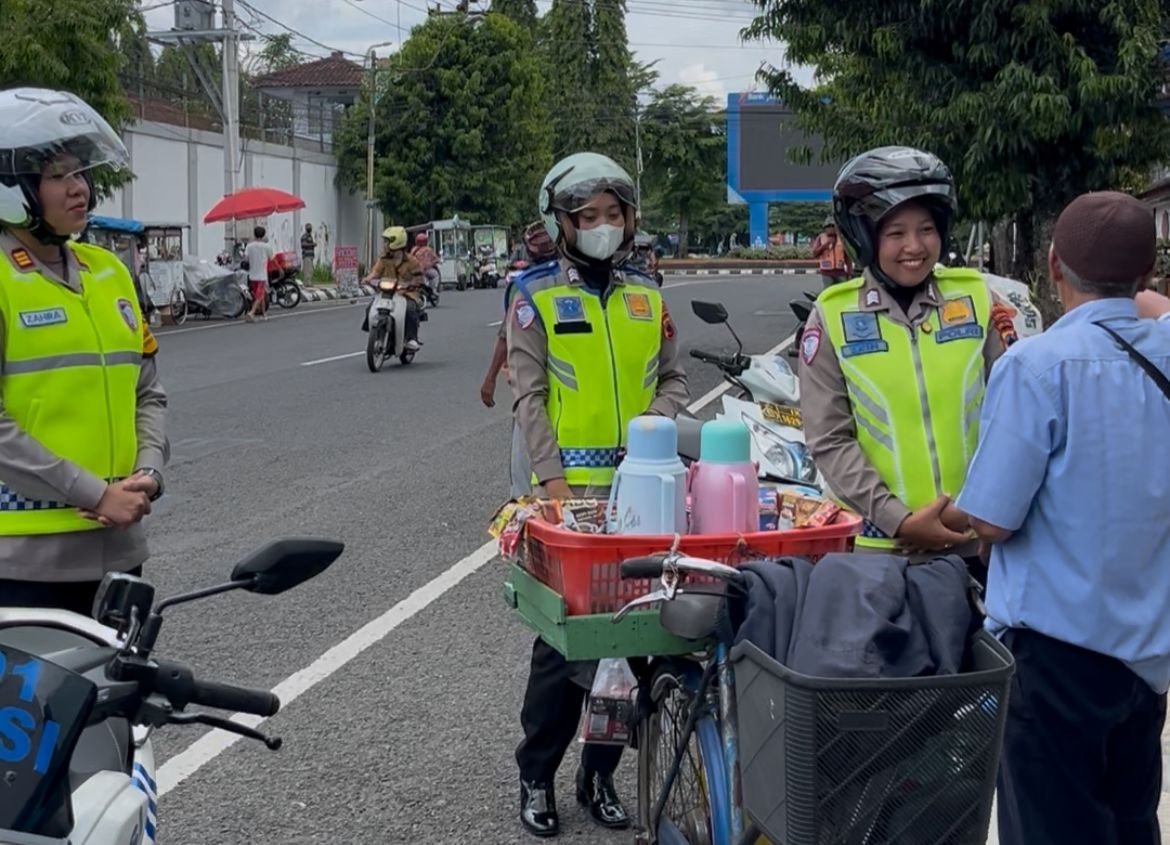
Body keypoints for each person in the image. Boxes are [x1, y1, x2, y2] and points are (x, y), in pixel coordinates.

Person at [954, 191, 1170, 845]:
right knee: (1131, 822)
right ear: (1146, 275)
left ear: (1052, 265)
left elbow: (991, 518)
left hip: (1054, 658)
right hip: (1147, 656)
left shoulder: (1036, 365)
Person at [506, 152, 689, 837]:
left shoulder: (648, 295)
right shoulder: (535, 296)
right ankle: (537, 774)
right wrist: (553, 489)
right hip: (571, 502)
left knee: (637, 645)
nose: (604, 227)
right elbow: (528, 399)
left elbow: (673, 379)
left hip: (645, 494)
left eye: (615, 215)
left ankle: (600, 773)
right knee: (565, 649)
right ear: (562, 223)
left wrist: (656, 426)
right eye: (590, 217)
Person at [0, 86, 168, 615]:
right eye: (58, 176)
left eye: (80, 174)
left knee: (121, 698)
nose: (80, 189)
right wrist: (95, 494)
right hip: (23, 559)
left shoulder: (110, 272)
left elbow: (148, 392)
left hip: (120, 551)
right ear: (12, 188)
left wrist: (150, 471)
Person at [798, 146, 1004, 568]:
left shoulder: (978, 299)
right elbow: (830, 440)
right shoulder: (833, 315)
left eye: (927, 229)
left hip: (976, 546)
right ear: (865, 236)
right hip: (877, 554)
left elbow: (1015, 419)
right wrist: (901, 521)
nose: (914, 246)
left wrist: (967, 512)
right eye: (895, 234)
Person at [481, 221, 558, 501]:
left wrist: (489, 379)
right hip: (573, 393)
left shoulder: (526, 287)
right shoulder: (581, 278)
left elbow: (505, 335)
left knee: (524, 471)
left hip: (532, 389)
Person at [362, 226, 423, 350]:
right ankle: (375, 332)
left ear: (396, 242)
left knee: (410, 310)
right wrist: (367, 279)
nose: (384, 244)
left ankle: (411, 338)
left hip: (406, 294)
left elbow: (419, 277)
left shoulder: (411, 261)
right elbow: (375, 272)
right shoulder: (383, 259)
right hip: (387, 292)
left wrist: (411, 284)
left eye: (387, 241)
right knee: (370, 308)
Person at [810, 215, 850, 288]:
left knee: (842, 291)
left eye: (833, 226)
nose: (831, 229)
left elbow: (847, 255)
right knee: (829, 292)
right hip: (827, 272)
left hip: (840, 271)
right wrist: (825, 245)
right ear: (825, 228)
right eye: (828, 227)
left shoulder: (841, 238)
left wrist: (850, 271)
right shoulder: (821, 238)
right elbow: (814, 253)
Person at [244, 225, 274, 322]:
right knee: (260, 295)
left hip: (252, 274)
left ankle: (264, 313)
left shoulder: (249, 246)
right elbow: (271, 258)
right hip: (262, 274)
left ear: (254, 234)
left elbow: (246, 259)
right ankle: (252, 312)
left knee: (258, 294)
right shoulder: (266, 247)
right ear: (264, 235)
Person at [410, 232, 441, 298]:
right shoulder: (428, 250)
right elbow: (435, 258)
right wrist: (439, 261)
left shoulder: (413, 250)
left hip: (415, 270)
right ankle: (433, 289)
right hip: (426, 270)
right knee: (435, 275)